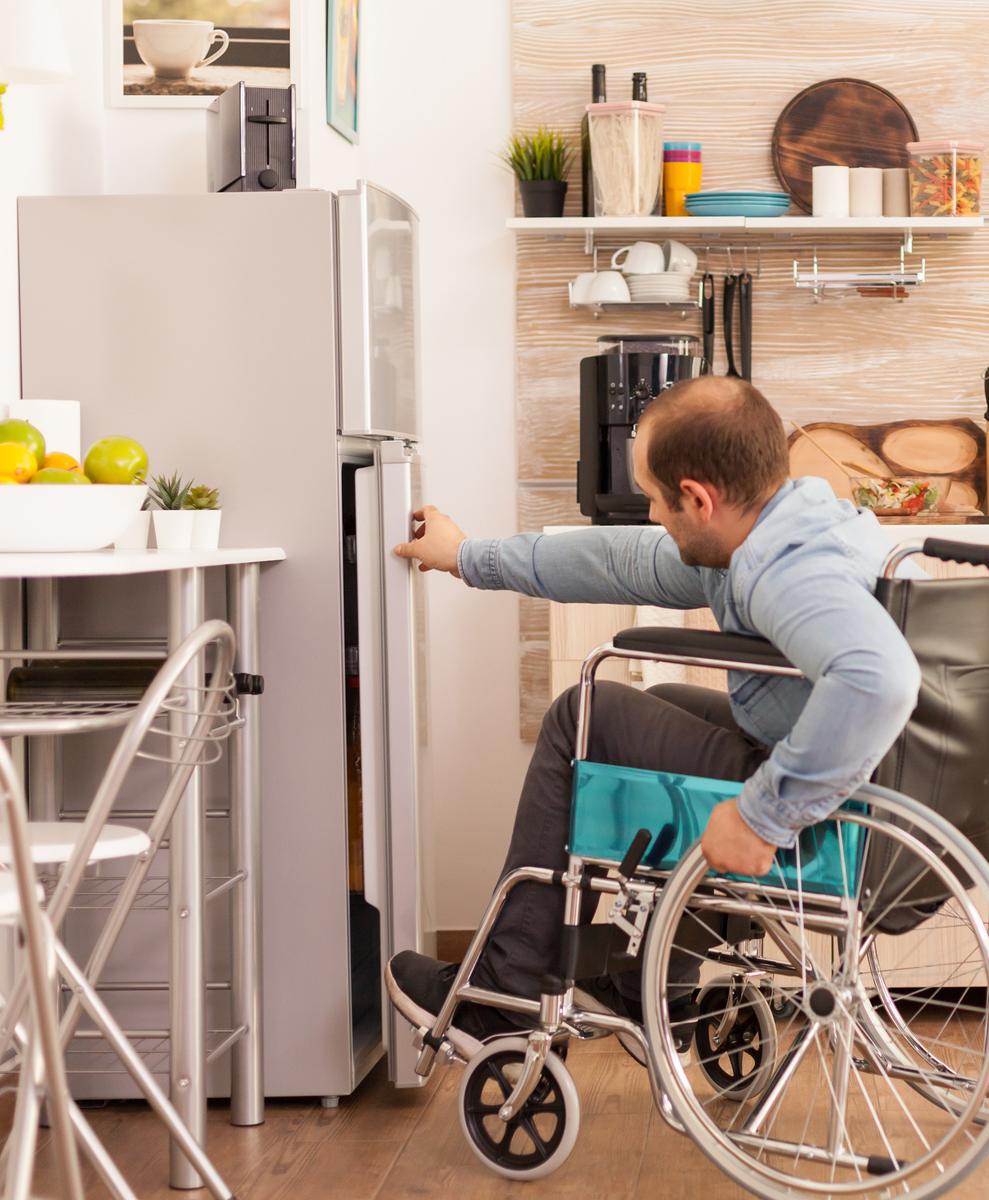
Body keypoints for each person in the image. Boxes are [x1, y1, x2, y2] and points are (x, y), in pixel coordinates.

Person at [384, 375, 921, 1065]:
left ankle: (498, 998)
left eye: (656, 501)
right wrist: (469, 558)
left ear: (698, 498)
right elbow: (625, 560)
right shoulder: (788, 523)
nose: (654, 516)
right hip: (885, 785)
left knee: (586, 715)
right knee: (660, 708)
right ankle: (653, 981)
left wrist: (764, 814)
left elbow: (879, 680)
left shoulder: (787, 569)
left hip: (838, 816)